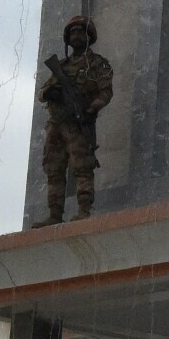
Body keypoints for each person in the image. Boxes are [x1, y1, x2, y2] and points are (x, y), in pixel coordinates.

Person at [32, 14, 114, 227]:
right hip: (57, 124)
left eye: (81, 31)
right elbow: (41, 93)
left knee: (82, 166)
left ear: (88, 36)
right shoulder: (60, 66)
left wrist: (91, 108)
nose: (76, 35)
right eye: (73, 32)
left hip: (79, 124)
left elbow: (106, 92)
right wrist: (51, 92)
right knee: (54, 168)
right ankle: (55, 214)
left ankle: (84, 209)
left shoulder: (97, 64)